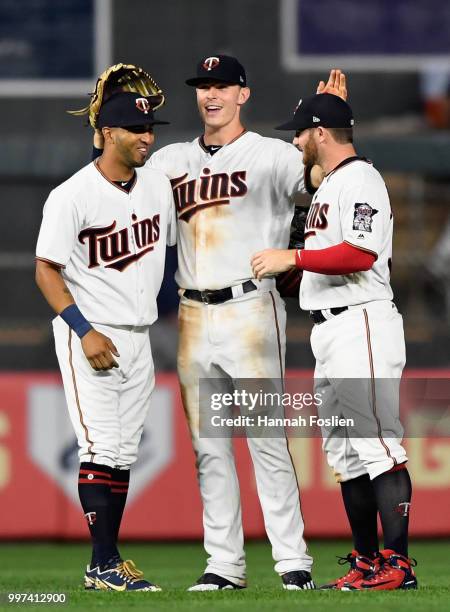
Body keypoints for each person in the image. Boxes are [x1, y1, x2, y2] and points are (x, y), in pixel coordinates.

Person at [93, 56, 346, 591]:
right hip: (191, 312)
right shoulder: (170, 161)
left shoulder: (271, 155)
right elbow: (116, 187)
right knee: (210, 449)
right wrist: (105, 128)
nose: (211, 94)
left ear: (243, 95)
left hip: (250, 309)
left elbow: (322, 176)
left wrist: (331, 121)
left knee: (265, 441)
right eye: (203, 86)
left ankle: (292, 562)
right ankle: (224, 565)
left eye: (222, 85)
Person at [251, 93, 417, 591]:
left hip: (361, 323)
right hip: (331, 327)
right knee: (346, 454)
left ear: (321, 132)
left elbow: (361, 253)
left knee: (378, 445)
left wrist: (294, 260)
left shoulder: (361, 179)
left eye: (299, 132)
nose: (295, 141)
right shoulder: (331, 186)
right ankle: (367, 562)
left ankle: (398, 564)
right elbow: (328, 253)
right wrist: (300, 272)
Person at [36, 92, 175, 592]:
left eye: (150, 128)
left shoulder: (156, 185)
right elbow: (46, 270)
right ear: (107, 133)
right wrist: (82, 329)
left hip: (139, 334)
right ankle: (103, 563)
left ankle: (106, 564)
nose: (147, 137)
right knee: (100, 446)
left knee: (123, 452)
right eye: (137, 129)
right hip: (91, 332)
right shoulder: (72, 195)